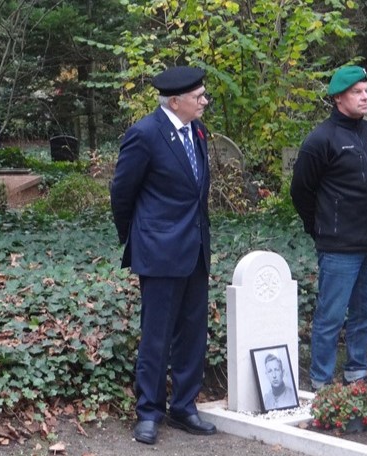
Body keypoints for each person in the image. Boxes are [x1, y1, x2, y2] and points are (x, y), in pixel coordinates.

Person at [110, 65, 216, 445]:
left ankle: (184, 406)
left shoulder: (196, 131)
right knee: (156, 336)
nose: (204, 102)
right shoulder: (145, 134)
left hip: (195, 249)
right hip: (159, 251)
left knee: (193, 333)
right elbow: (122, 192)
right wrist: (139, 237)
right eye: (198, 97)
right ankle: (149, 412)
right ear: (174, 102)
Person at [290, 65, 367, 397]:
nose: (365, 97)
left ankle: (357, 375)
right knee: (331, 315)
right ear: (338, 98)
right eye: (356, 92)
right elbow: (301, 191)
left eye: (366, 91)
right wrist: (319, 228)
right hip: (339, 246)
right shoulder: (321, 140)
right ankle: (322, 382)